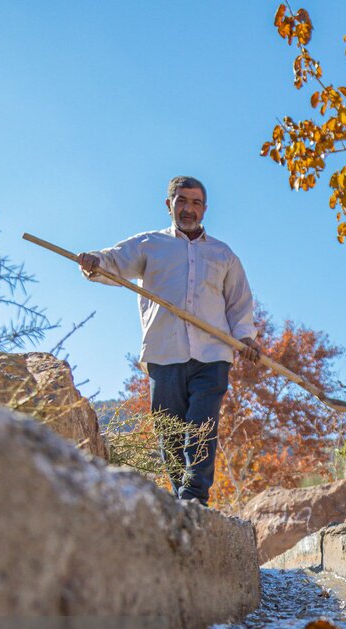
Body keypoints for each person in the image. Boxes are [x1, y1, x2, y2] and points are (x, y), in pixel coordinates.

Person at [78, 176, 260, 507]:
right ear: (169, 204)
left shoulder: (224, 255)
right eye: (182, 201)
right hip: (164, 352)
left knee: (202, 426)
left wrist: (245, 338)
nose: (188, 209)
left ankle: (194, 498)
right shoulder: (149, 244)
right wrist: (94, 262)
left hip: (212, 354)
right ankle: (179, 498)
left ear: (205, 209)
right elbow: (113, 261)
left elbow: (239, 303)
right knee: (170, 432)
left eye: (195, 203)